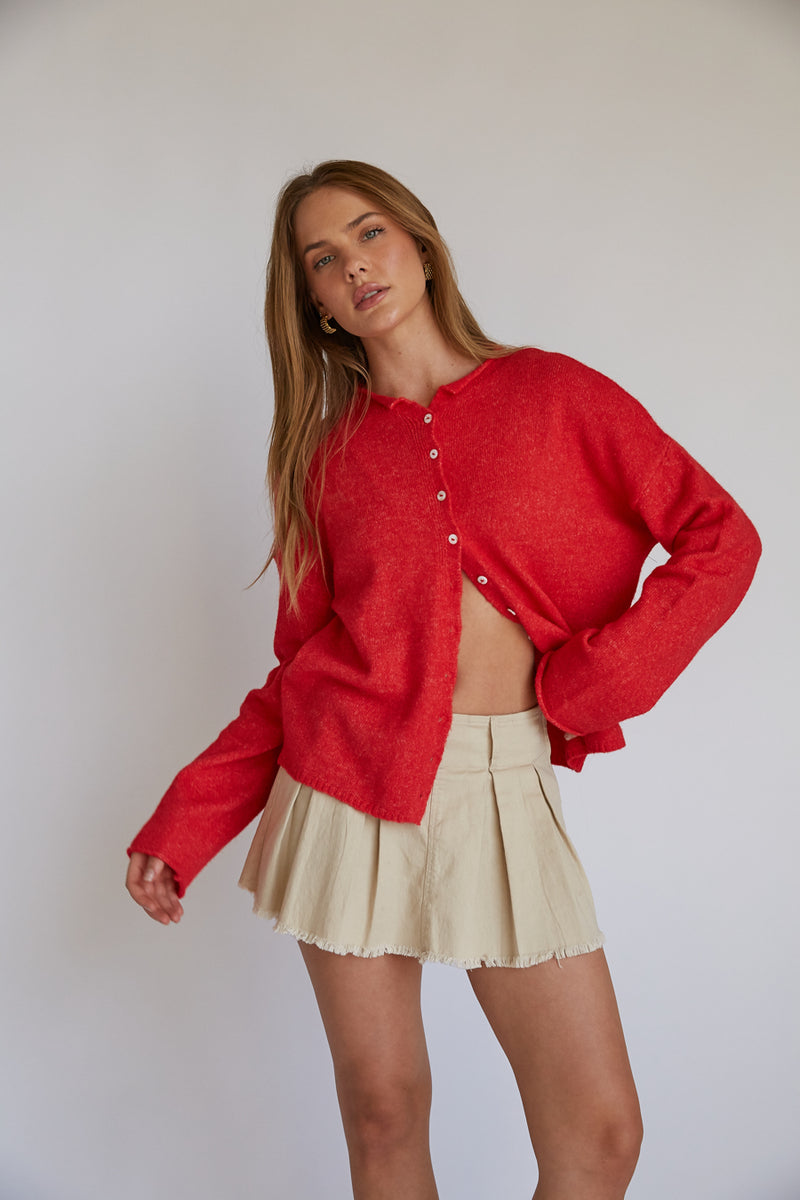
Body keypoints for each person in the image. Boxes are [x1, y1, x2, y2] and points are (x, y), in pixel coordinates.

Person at [125, 159, 761, 1200]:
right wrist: (186, 822)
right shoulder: (322, 461)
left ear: (419, 245)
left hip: (499, 784)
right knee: (383, 1112)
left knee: (599, 1134)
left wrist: (590, 682)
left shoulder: (555, 394)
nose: (353, 265)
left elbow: (719, 537)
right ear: (315, 305)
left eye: (368, 233)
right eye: (321, 260)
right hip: (345, 789)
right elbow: (298, 673)